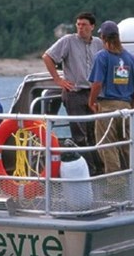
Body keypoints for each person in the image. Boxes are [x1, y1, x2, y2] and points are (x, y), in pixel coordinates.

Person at [42, 12, 105, 176]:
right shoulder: (68, 41)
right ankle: (89, 171)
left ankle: (99, 168)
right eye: (78, 24)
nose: (81, 28)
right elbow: (47, 57)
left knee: (94, 133)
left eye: (84, 25)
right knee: (79, 135)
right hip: (74, 93)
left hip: (93, 93)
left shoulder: (98, 43)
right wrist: (58, 80)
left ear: (92, 26)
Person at [88, 20, 134, 174]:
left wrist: (91, 102)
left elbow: (97, 83)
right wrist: (132, 104)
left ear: (103, 37)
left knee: (108, 146)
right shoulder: (130, 58)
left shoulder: (102, 56)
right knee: (128, 145)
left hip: (107, 107)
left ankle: (115, 185)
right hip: (126, 107)